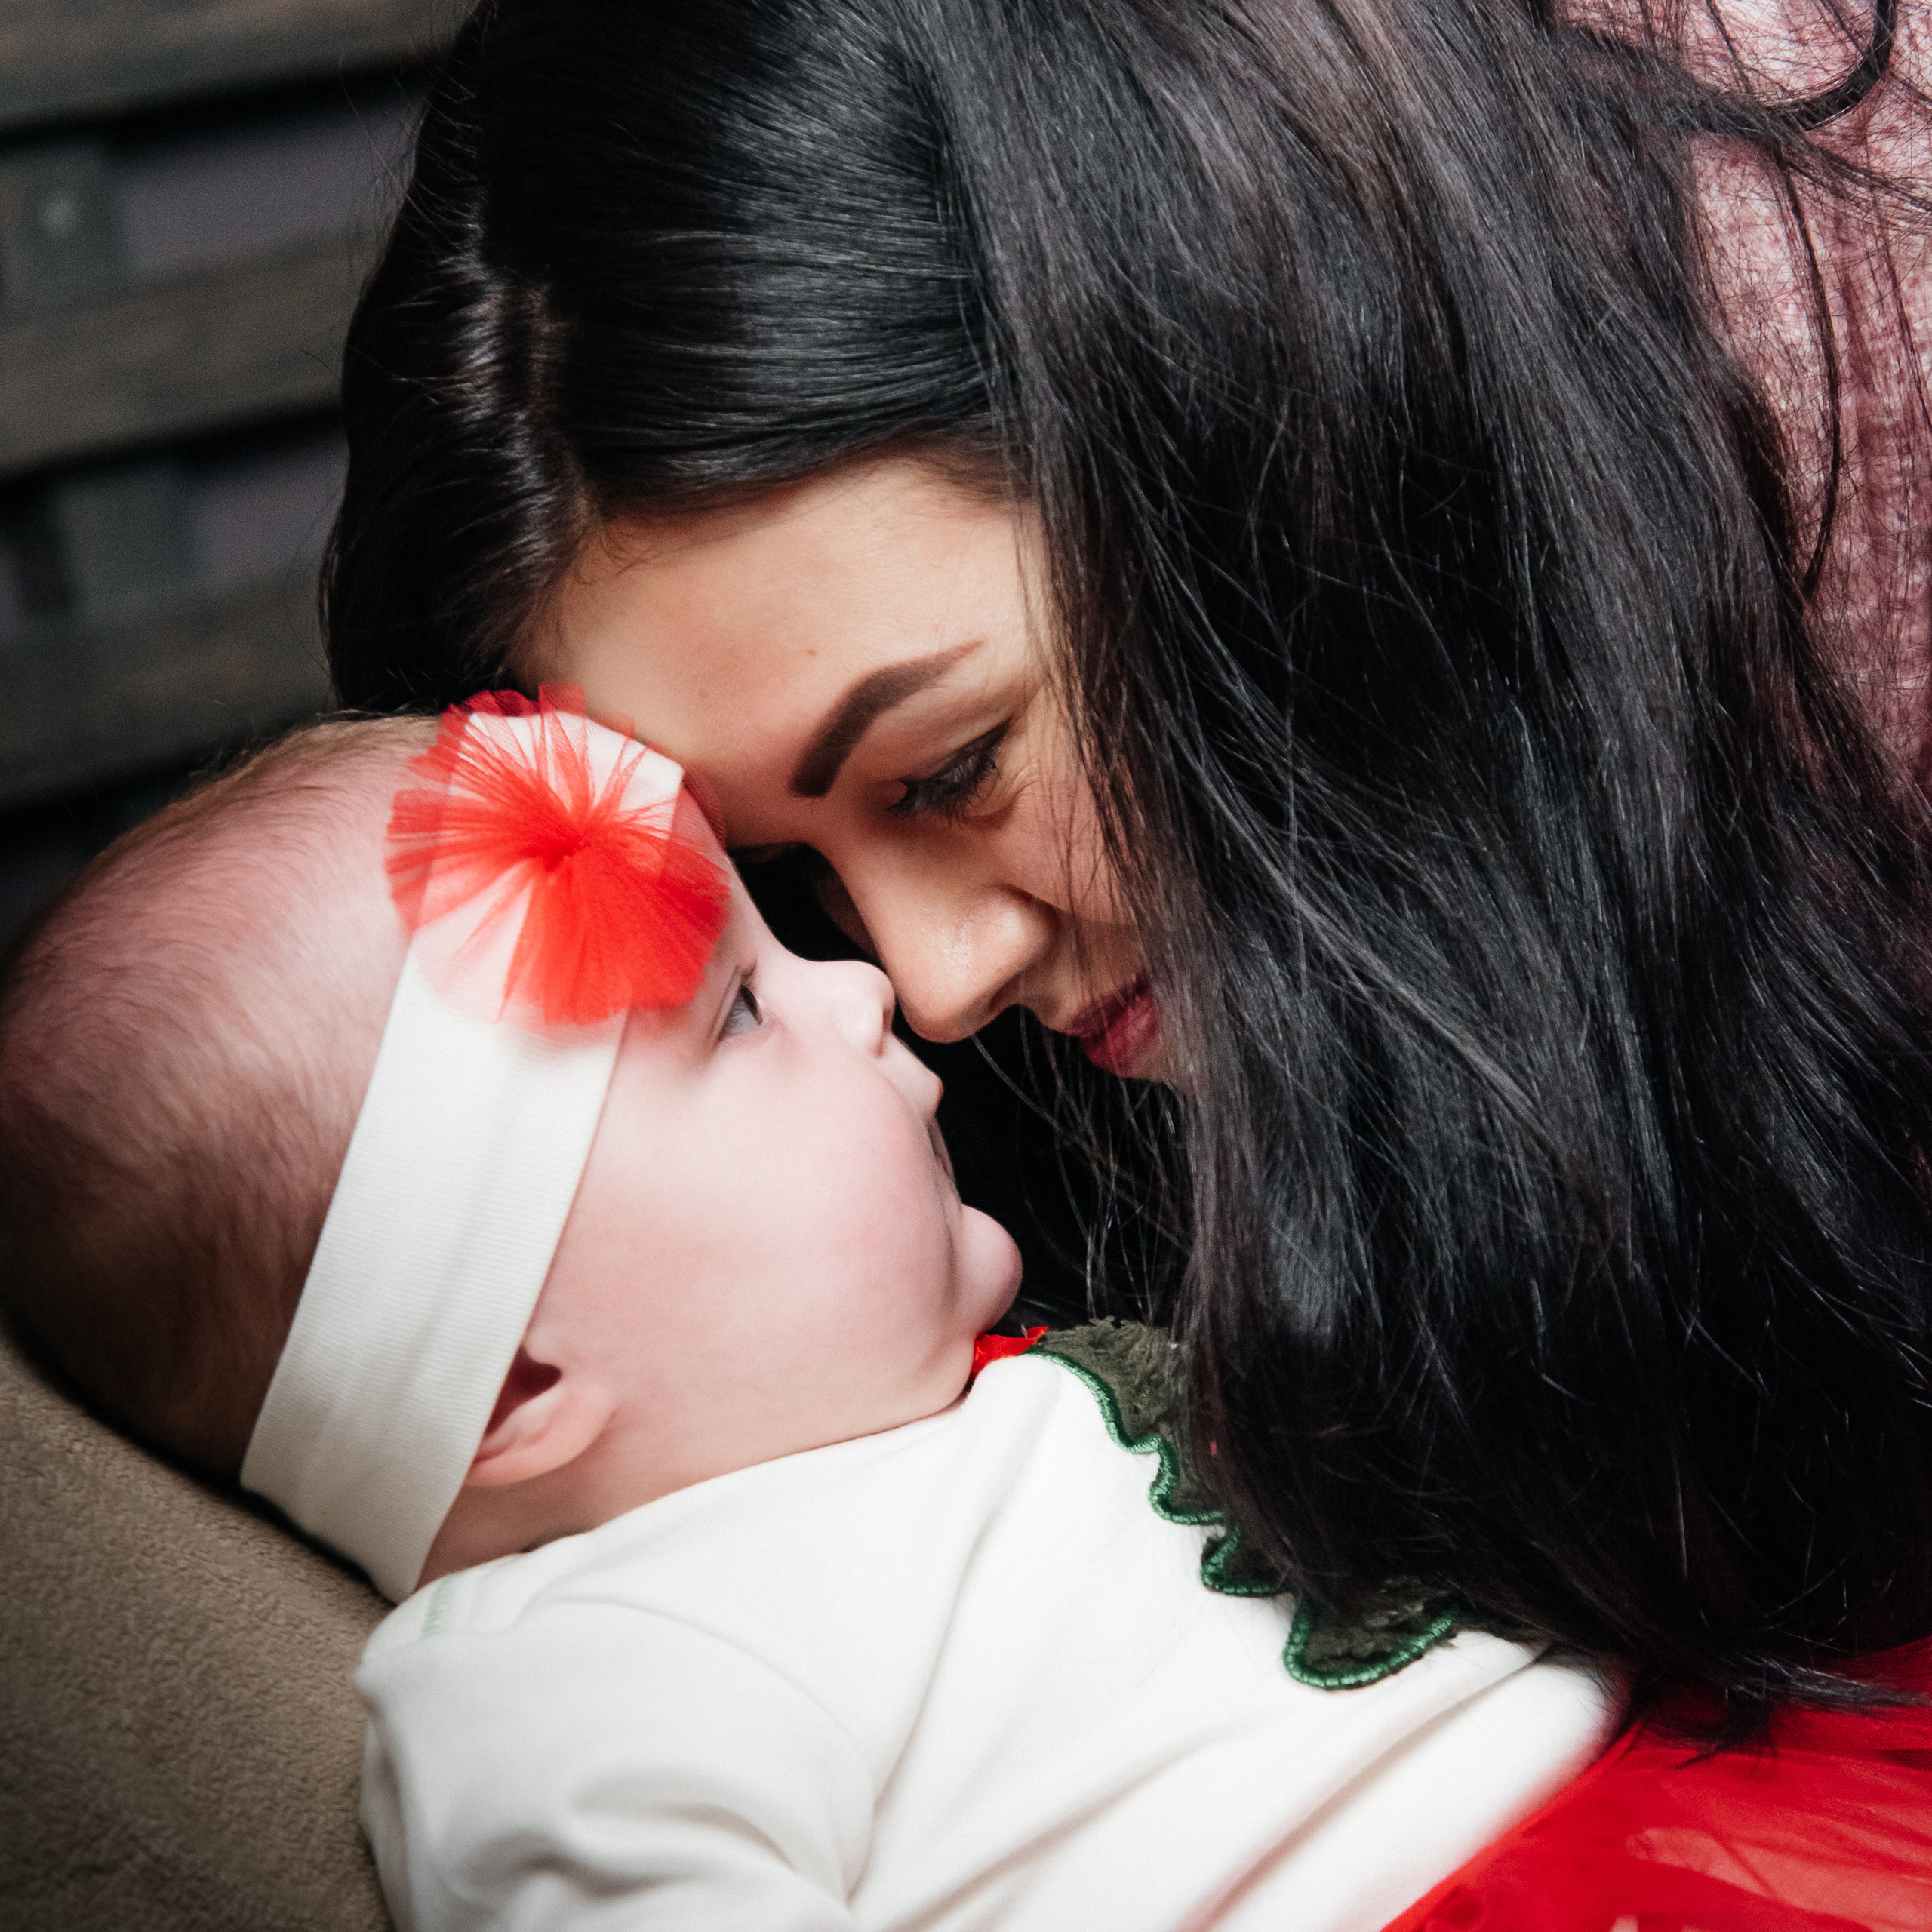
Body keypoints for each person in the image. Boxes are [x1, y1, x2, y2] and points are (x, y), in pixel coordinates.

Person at [0, 694, 1617, 1932]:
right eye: (737, 1011)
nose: (862, 988)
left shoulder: (987, 1405)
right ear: (514, 1389)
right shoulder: (582, 1679)